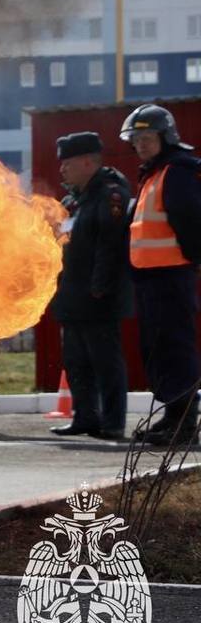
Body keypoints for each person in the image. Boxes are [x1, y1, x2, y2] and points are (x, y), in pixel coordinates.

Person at [121, 105, 201, 446]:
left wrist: (192, 260)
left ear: (165, 137)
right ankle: (171, 414)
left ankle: (183, 423)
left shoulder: (177, 171)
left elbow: (191, 221)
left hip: (170, 276)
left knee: (175, 349)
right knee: (157, 349)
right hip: (150, 278)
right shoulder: (153, 173)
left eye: (148, 138)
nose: (141, 144)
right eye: (136, 139)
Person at [48, 132, 132, 441]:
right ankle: (85, 417)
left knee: (105, 362)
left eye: (67, 163)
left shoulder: (110, 195)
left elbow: (109, 247)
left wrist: (99, 289)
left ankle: (112, 422)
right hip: (72, 296)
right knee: (76, 362)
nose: (62, 170)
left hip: (98, 297)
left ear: (87, 162)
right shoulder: (73, 200)